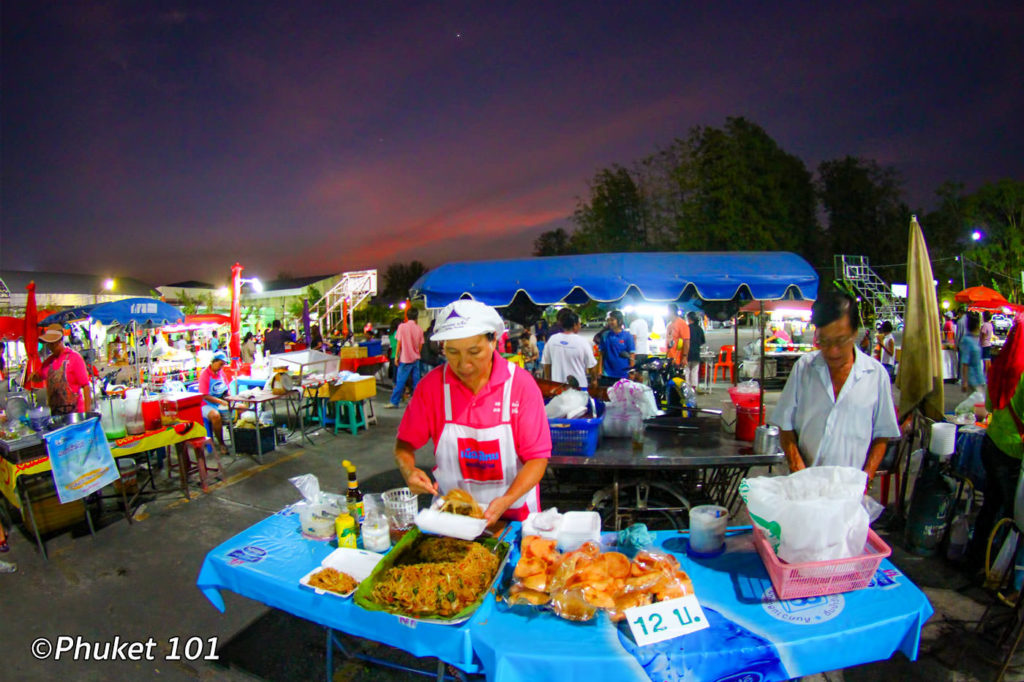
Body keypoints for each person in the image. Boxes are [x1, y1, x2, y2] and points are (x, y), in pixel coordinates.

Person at [394, 300, 551, 524]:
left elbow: (537, 458)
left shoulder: (520, 386)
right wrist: (409, 470)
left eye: (474, 352)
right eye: (452, 352)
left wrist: (507, 500)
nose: (464, 364)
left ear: (493, 340)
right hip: (452, 517)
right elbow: (404, 445)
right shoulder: (432, 387)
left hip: (514, 517)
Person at [769, 289, 900, 478]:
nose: (832, 351)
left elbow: (882, 434)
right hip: (804, 484)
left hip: (849, 490)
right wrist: (799, 471)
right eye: (824, 341)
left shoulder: (876, 375)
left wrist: (866, 479)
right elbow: (785, 424)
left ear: (855, 333)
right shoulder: (804, 368)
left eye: (840, 341)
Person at [965, 312, 1024, 573]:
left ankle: (975, 561)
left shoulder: (999, 366)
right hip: (1011, 452)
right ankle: (1003, 572)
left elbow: (988, 408)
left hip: (990, 444)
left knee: (990, 507)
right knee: (1015, 516)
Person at [31, 324, 93, 416]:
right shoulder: (48, 362)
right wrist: (31, 377)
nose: (51, 347)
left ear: (60, 341)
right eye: (49, 344)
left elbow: (86, 386)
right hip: (55, 414)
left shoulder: (74, 358)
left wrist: (87, 414)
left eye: (53, 343)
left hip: (75, 414)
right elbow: (39, 376)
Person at [541, 308, 597, 388]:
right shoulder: (582, 342)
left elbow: (547, 364)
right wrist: (594, 381)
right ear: (575, 325)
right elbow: (591, 366)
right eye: (579, 324)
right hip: (579, 389)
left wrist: (549, 382)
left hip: (558, 388)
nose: (580, 326)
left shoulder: (552, 340)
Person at [388, 308, 424, 408]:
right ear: (416, 317)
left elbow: (399, 343)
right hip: (416, 358)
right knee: (416, 381)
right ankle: (417, 401)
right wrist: (417, 353)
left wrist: (396, 357)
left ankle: (394, 402)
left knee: (400, 381)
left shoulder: (402, 327)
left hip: (405, 358)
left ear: (407, 316)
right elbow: (421, 345)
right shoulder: (419, 329)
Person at [198, 352, 232, 454]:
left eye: (223, 365)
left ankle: (237, 440)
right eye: (220, 364)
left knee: (239, 409)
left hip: (220, 402)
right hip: (206, 404)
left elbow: (227, 389)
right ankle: (222, 443)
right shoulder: (205, 375)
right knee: (215, 416)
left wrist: (229, 397)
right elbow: (204, 395)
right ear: (214, 362)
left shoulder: (221, 373)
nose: (221, 367)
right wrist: (220, 401)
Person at [595, 310, 635, 387]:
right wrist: (599, 369)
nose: (610, 322)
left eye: (612, 320)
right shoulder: (605, 335)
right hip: (607, 374)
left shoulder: (628, 336)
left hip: (623, 374)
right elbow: (601, 353)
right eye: (609, 320)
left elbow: (632, 354)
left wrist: (631, 372)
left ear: (619, 321)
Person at [959, 312, 986, 396]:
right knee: (975, 404)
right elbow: (965, 362)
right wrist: (965, 381)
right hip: (971, 378)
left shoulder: (975, 339)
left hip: (979, 377)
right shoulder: (967, 340)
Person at [686, 311, 706, 389]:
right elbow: (702, 341)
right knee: (694, 371)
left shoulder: (687, 328)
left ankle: (687, 388)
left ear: (689, 319)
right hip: (696, 353)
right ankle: (694, 388)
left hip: (687, 353)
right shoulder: (699, 329)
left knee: (687, 371)